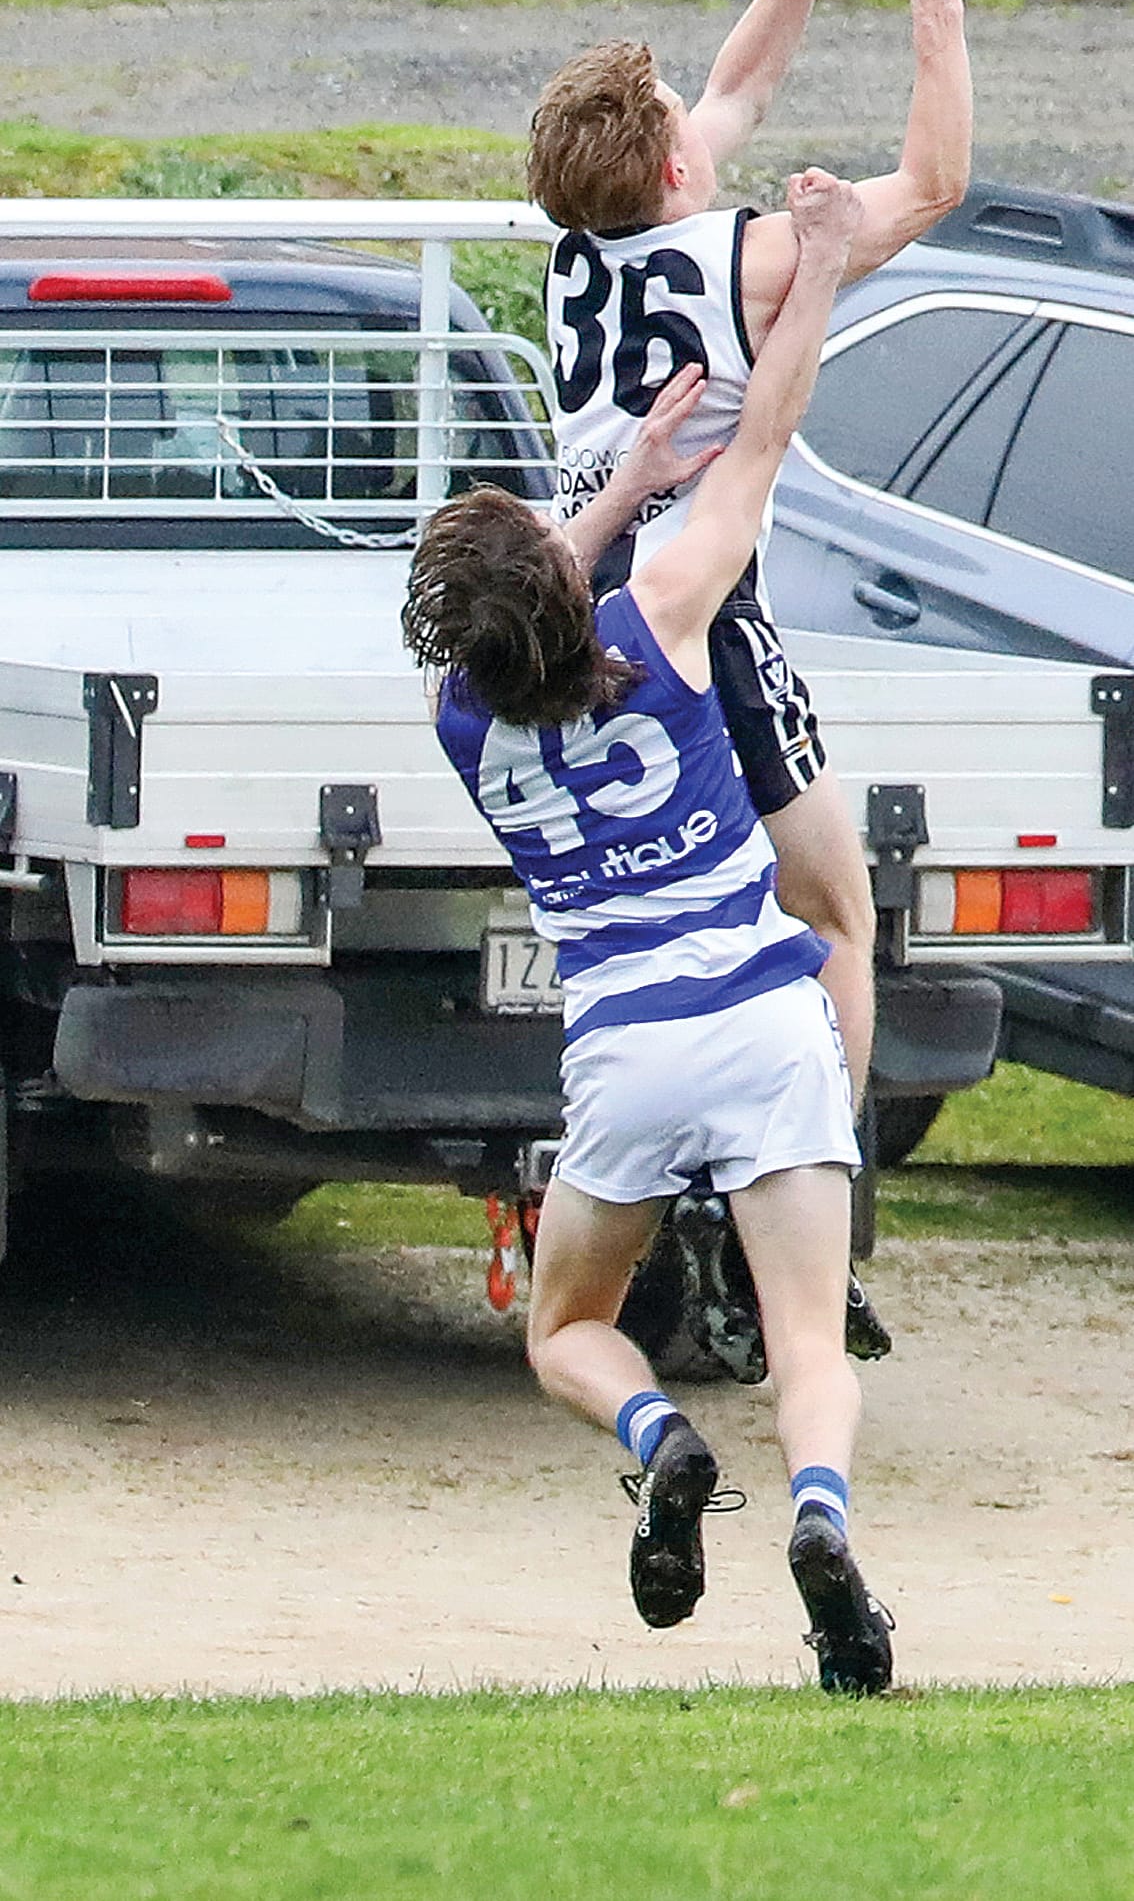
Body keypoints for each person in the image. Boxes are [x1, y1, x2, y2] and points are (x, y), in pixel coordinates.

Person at [403, 168, 895, 1696]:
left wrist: (605, 492)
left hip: (623, 1050)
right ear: (572, 582)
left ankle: (658, 1442)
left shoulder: (462, 723)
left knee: (566, 1332)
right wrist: (807, 276)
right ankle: (815, 1520)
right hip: (761, 1016)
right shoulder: (667, 616)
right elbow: (761, 439)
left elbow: (533, 608)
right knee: (806, 1345)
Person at [528, 0, 986, 1130]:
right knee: (831, 906)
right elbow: (936, 182)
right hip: (694, 617)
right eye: (681, 118)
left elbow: (740, 84)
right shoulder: (747, 262)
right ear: (675, 171)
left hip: (581, 600)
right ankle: (815, 1189)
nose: (703, 109)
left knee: (667, 928)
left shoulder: (579, 250)